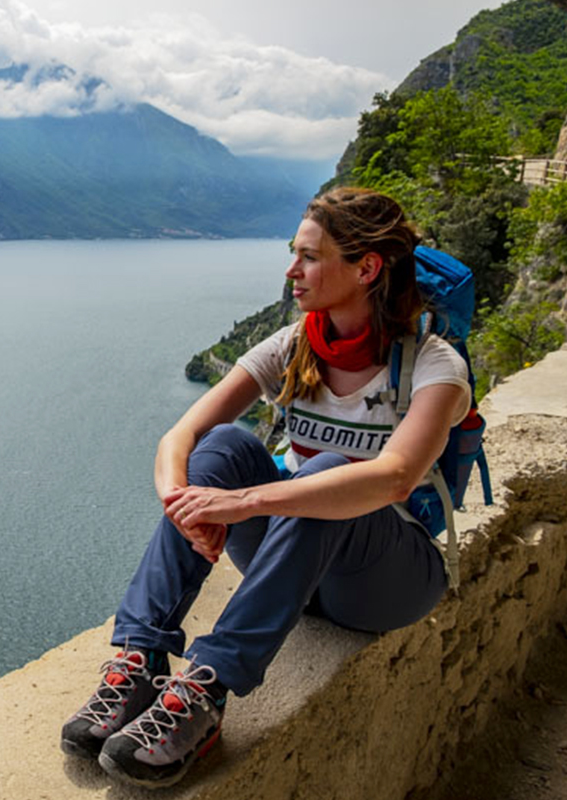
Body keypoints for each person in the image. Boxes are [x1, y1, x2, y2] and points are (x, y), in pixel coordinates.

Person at [60, 187, 471, 788]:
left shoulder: (435, 367)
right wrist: (186, 507)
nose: (291, 270)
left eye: (308, 256)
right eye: (293, 253)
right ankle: (138, 661)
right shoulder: (293, 346)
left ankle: (205, 693)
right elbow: (180, 437)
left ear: (366, 267)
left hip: (383, 583)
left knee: (328, 472)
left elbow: (394, 477)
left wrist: (245, 502)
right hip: (291, 566)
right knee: (222, 448)